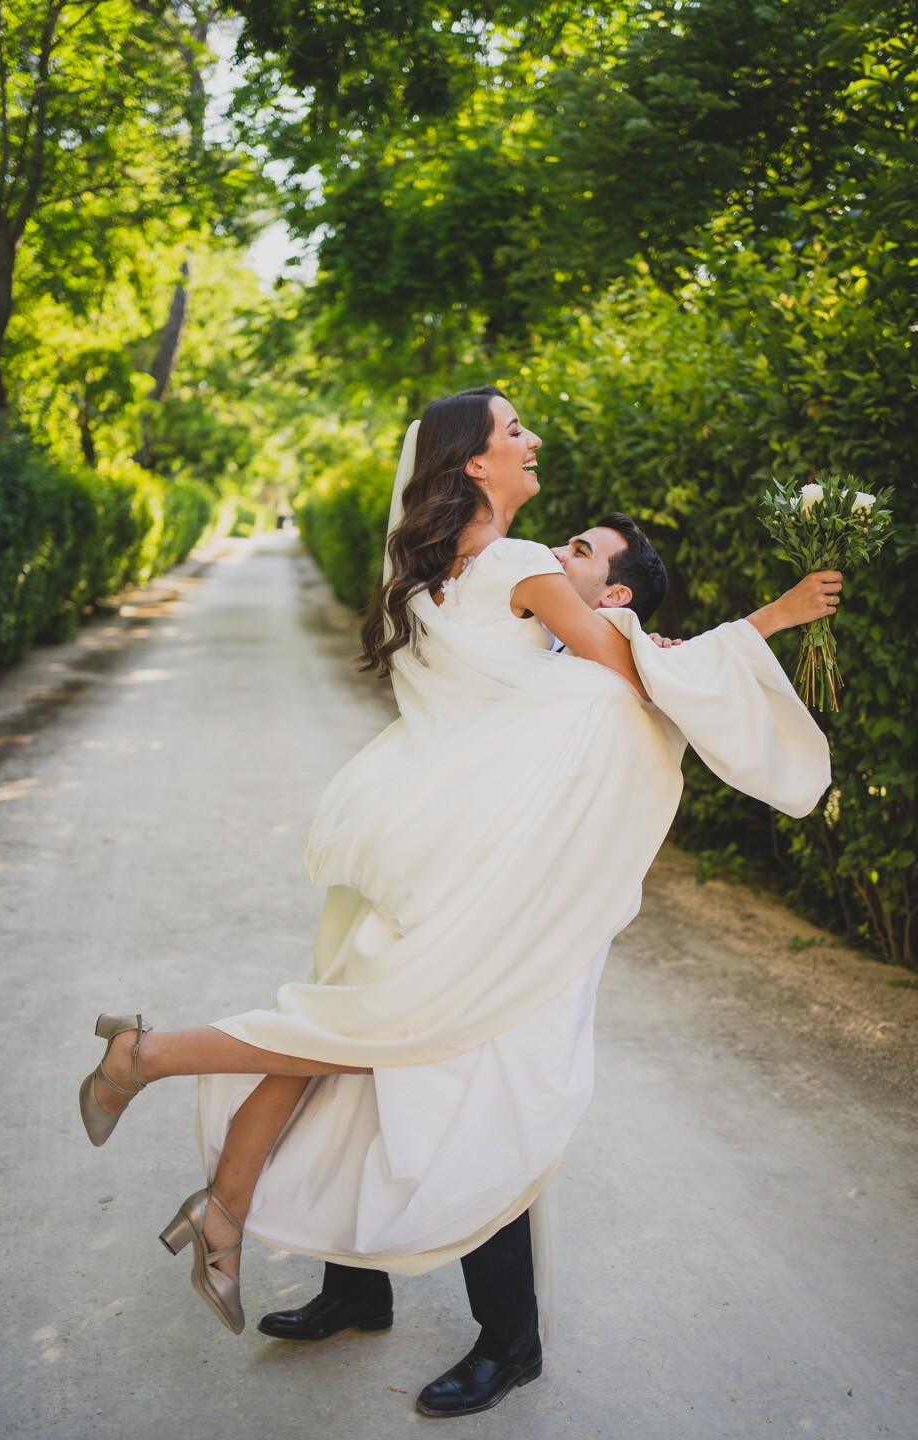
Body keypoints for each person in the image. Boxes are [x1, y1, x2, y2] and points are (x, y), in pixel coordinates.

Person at [79, 386, 838, 1417]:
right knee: (402, 1049)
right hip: (480, 861)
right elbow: (643, 674)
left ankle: (367, 1275)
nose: (534, 441)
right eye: (514, 430)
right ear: (476, 465)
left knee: (377, 1042)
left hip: (423, 844)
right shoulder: (523, 571)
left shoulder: (425, 572)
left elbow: (602, 667)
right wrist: (770, 623)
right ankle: (333, 1254)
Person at [252, 501, 840, 1418]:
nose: (553, 554)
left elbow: (683, 678)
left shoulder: (625, 660)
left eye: (580, 551)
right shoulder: (528, 639)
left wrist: (779, 613)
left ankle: (510, 1341)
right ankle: (359, 1289)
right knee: (367, 1062)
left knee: (491, 1107)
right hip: (443, 897)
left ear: (613, 595)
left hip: (532, 929)